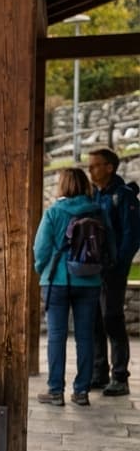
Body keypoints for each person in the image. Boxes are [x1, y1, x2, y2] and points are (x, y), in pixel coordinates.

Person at [34, 168, 112, 407]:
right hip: (89, 281)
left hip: (57, 280)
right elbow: (110, 246)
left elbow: (41, 249)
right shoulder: (98, 211)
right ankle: (81, 391)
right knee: (85, 337)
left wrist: (42, 270)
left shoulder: (54, 212)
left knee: (56, 336)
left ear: (63, 185)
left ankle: (55, 391)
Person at [86, 148, 140, 396]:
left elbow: (132, 235)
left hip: (113, 270)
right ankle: (99, 373)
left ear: (109, 167)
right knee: (96, 319)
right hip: (95, 268)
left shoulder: (124, 196)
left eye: (95, 165)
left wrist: (118, 265)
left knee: (112, 318)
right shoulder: (95, 195)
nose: (90, 169)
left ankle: (120, 376)